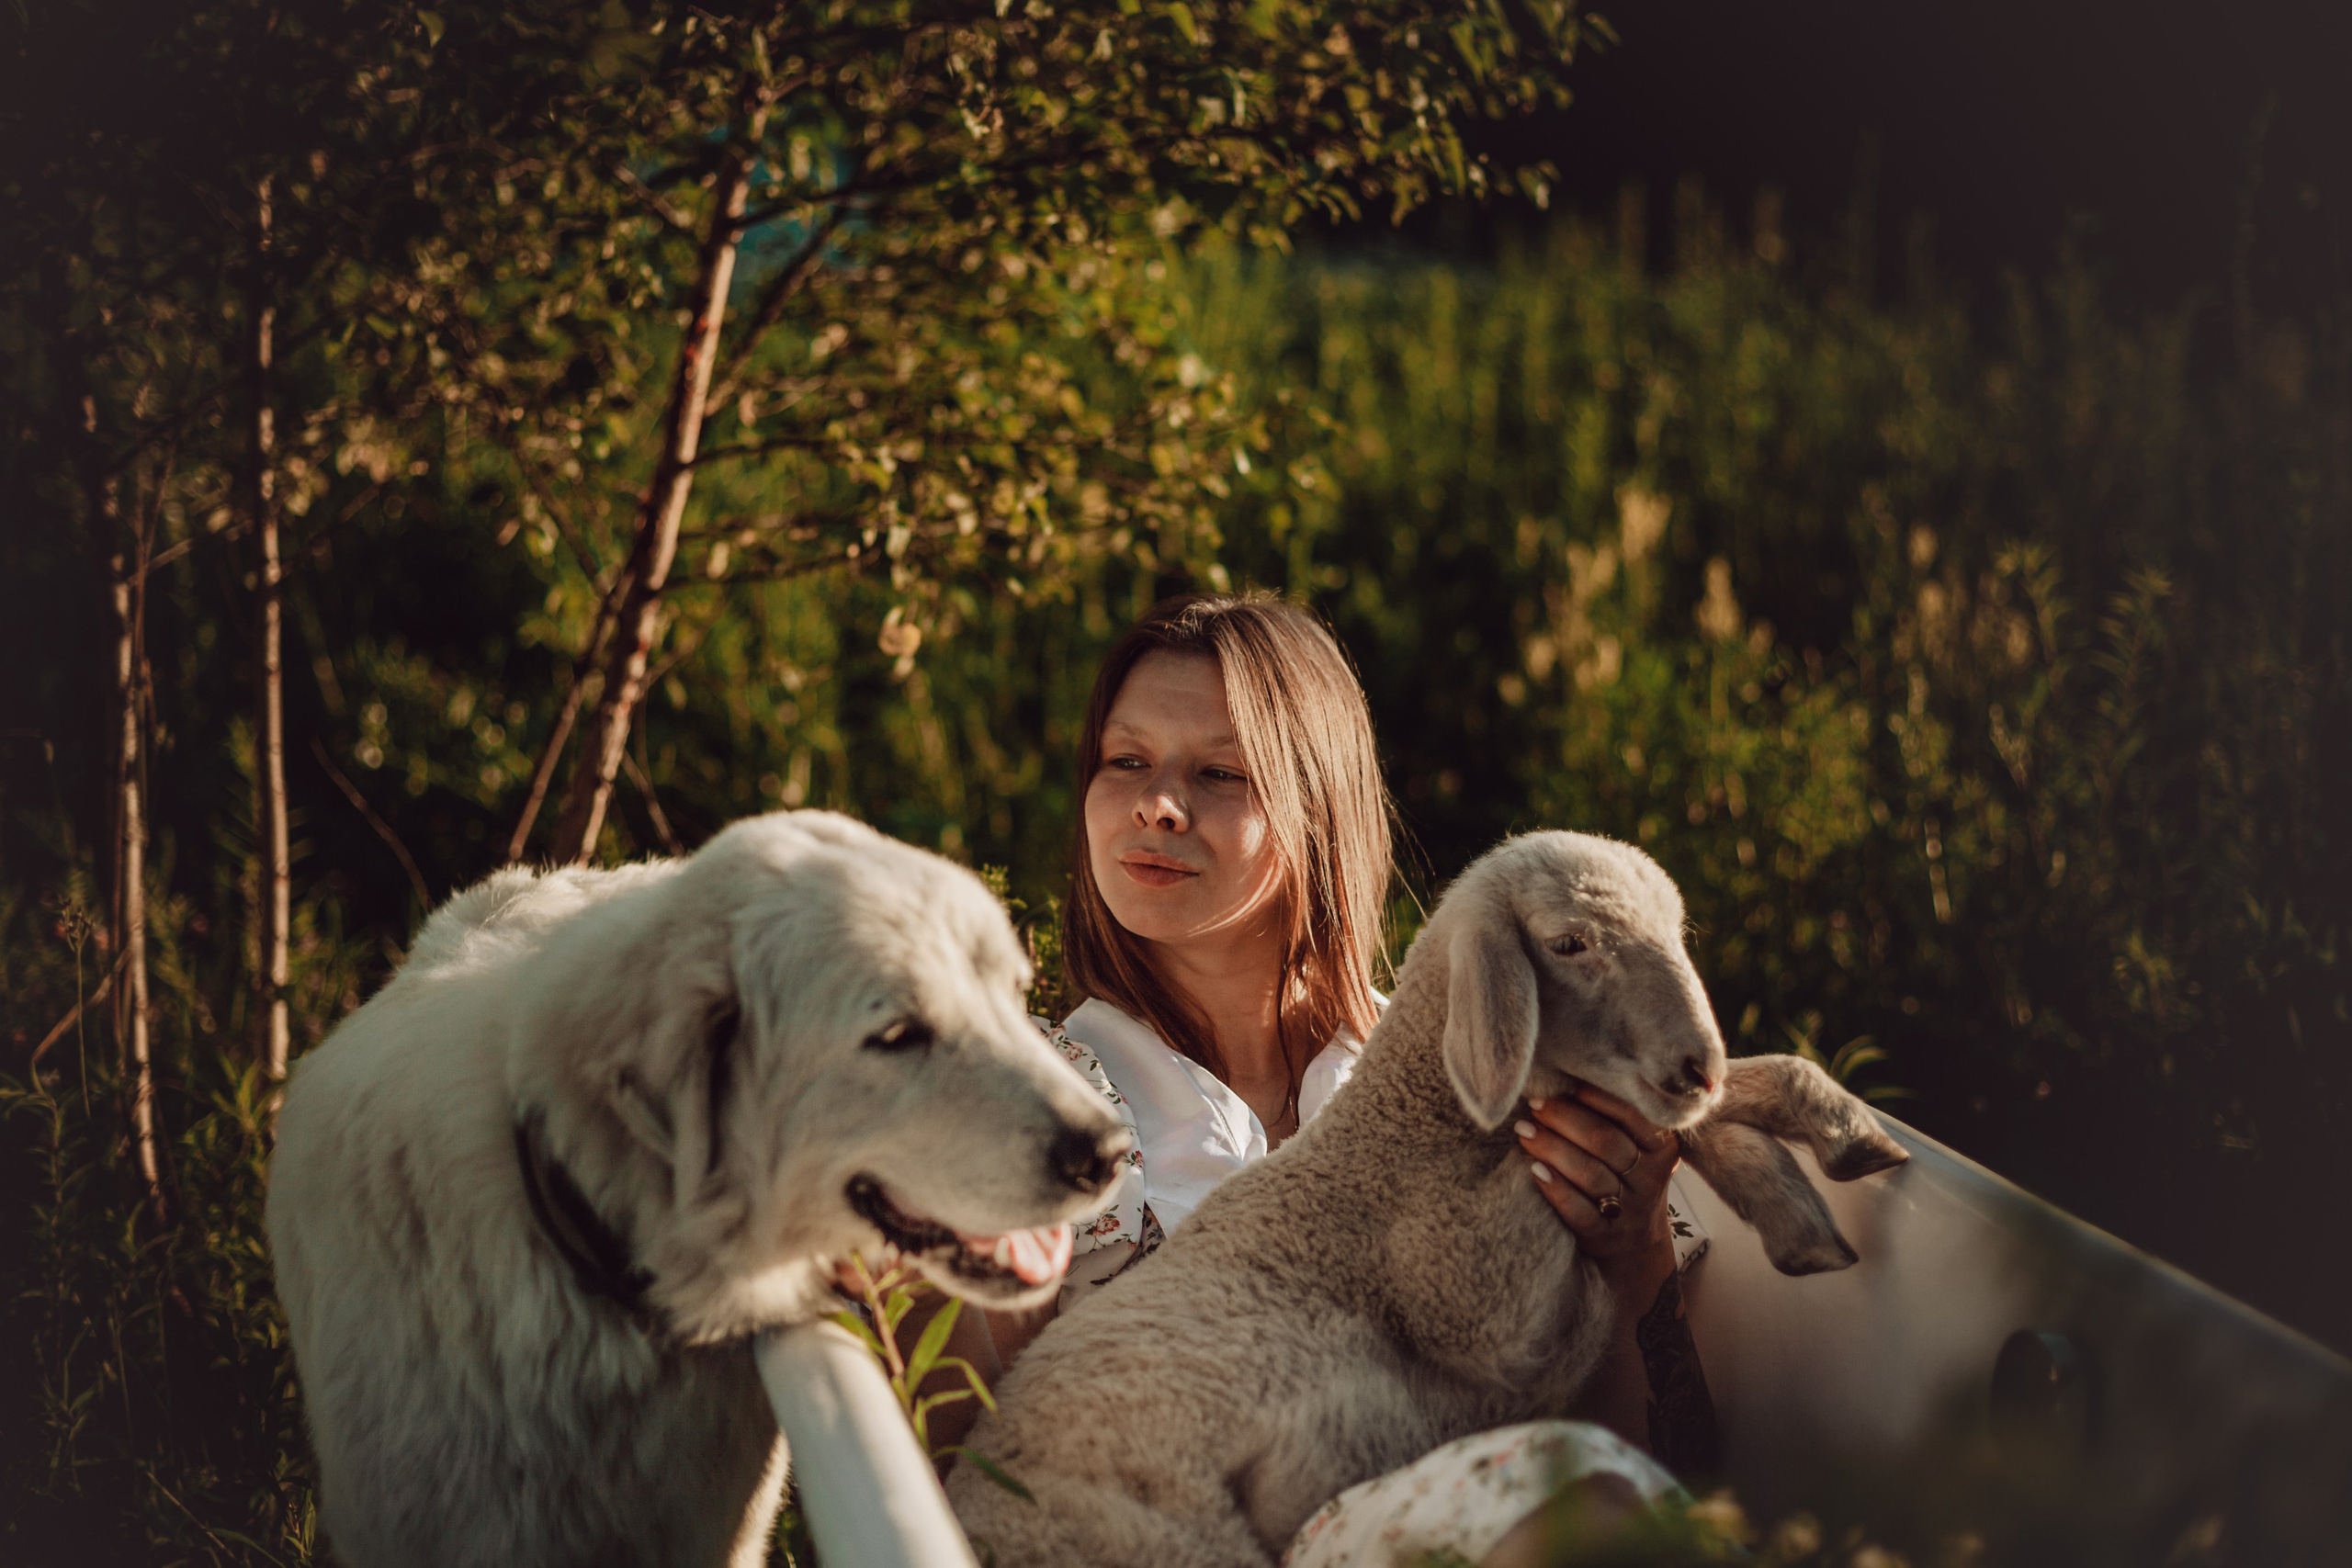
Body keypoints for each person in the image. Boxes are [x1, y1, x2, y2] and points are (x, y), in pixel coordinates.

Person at [923, 593, 1719, 1565]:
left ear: (1318, 805)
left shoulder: (1492, 1062)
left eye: (1219, 773)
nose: (1156, 804)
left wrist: (1633, 1251)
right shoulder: (1032, 1103)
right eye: (1125, 760)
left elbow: (1660, 1469)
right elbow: (949, 1494)